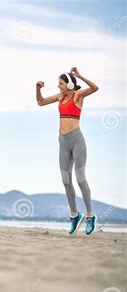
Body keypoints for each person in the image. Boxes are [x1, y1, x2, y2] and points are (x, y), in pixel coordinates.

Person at [36, 67, 99, 234]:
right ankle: (74, 215)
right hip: (62, 142)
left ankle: (91, 216)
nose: (58, 86)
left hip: (77, 140)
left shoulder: (78, 96)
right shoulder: (60, 97)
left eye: (61, 83)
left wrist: (79, 76)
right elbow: (41, 102)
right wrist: (38, 89)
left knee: (80, 178)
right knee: (65, 179)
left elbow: (95, 88)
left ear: (70, 85)